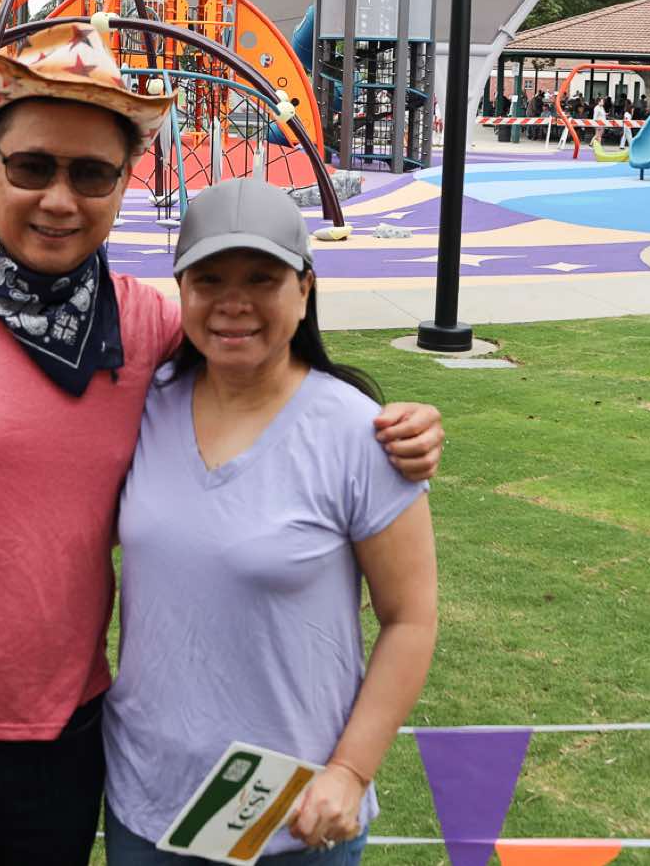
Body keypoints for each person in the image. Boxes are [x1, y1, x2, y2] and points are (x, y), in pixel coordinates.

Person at [0, 25, 444, 866]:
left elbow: (259, 353)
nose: (60, 198)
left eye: (91, 174)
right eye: (33, 166)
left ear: (125, 184)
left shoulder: (151, 325)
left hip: (63, 741)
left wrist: (394, 423)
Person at [102, 179, 436, 865]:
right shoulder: (143, 405)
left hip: (297, 814)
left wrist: (351, 771)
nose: (234, 302)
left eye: (262, 278)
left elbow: (411, 618)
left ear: (305, 290)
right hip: (147, 799)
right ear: (181, 289)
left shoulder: (358, 433)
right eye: (209, 279)